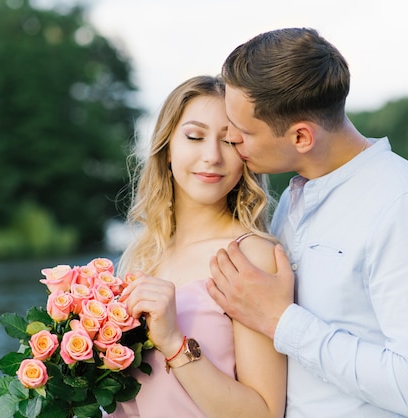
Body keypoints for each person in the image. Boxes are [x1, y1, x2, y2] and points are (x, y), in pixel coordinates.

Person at [207, 28, 408, 418]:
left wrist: (281, 320)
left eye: (243, 131)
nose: (230, 139)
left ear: (301, 136)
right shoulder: (296, 198)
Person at [109, 75, 286, 418]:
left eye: (230, 141)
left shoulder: (250, 257)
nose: (212, 156)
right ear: (167, 148)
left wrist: (175, 343)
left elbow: (264, 412)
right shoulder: (145, 256)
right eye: (195, 136)